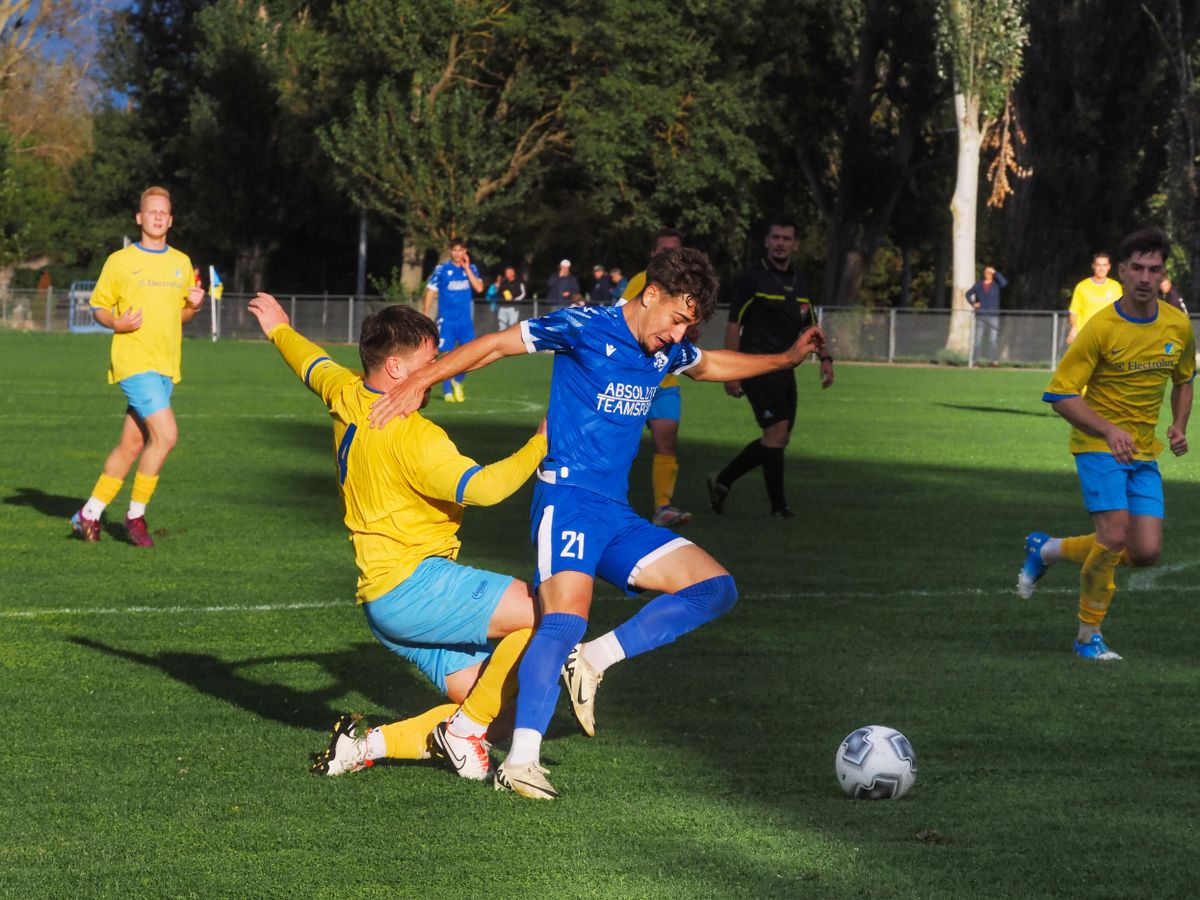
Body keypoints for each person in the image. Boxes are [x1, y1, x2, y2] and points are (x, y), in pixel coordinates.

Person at [368, 247, 826, 799]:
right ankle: (522, 761)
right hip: (566, 501)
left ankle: (594, 660)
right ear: (650, 294)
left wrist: (784, 358)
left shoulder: (669, 350)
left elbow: (710, 365)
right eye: (678, 318)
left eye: (690, 324)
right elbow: (495, 345)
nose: (680, 332)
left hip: (616, 512)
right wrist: (424, 379)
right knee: (562, 619)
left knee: (715, 587)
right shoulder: (584, 326)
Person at [247, 293, 548, 780]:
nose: (440, 370)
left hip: (381, 600)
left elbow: (312, 363)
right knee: (548, 612)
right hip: (417, 584)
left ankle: (365, 745)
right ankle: (461, 732)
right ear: (393, 367)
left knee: (496, 712)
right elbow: (486, 490)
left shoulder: (345, 394)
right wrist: (542, 442)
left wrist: (280, 328)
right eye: (430, 363)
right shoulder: (414, 435)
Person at [1017, 228, 1194, 660]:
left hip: (1144, 451)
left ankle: (1048, 549)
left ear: (1164, 274)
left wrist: (1180, 423)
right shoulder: (1101, 327)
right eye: (1137, 268)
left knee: (1146, 552)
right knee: (1113, 534)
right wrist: (1108, 429)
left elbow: (1184, 378)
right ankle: (1086, 637)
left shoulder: (1178, 324)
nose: (1145, 277)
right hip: (1097, 446)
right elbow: (1060, 394)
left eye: (1154, 269)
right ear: (1121, 271)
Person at [70, 186, 206, 547]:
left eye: (164, 212)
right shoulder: (120, 261)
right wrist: (116, 323)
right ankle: (135, 517)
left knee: (131, 445)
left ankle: (88, 513)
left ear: (170, 220)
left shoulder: (180, 262)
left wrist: (195, 305)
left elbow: (180, 317)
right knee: (167, 436)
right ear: (139, 218)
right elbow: (99, 306)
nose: (158, 217)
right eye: (152, 211)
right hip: (134, 360)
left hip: (165, 365)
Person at [708, 215, 833, 519]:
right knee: (776, 433)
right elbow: (734, 324)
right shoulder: (753, 278)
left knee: (778, 437)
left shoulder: (799, 280)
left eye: (786, 238)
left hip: (786, 368)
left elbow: (810, 324)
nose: (780, 244)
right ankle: (779, 508)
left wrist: (826, 359)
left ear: (795, 244)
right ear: (767, 242)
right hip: (756, 367)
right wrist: (731, 371)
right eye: (775, 237)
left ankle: (722, 481)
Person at [622, 227, 692, 527]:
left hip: (664, 383)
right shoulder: (640, 282)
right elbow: (624, 321)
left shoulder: (690, 287)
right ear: (653, 254)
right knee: (620, 446)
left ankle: (663, 506)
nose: (669, 256)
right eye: (663, 250)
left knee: (667, 440)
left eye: (674, 251)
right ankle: (612, 504)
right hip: (632, 381)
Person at [422, 236, 483, 402]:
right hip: (447, 321)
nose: (457, 253)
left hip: (465, 322)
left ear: (465, 251)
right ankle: (448, 391)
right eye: (454, 250)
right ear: (451, 251)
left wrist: (467, 267)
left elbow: (479, 287)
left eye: (460, 250)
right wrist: (426, 315)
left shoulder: (471, 268)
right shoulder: (441, 270)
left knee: (472, 355)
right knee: (447, 356)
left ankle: (457, 381)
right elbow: (430, 291)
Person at [1066, 252, 1122, 343]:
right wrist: (1073, 329)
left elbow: (1120, 311)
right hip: (1086, 335)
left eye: (1104, 265)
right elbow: (1074, 311)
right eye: (1098, 265)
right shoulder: (1082, 286)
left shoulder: (1115, 287)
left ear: (1109, 267)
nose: (1101, 268)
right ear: (1093, 266)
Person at [966, 265, 1007, 363]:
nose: (988, 274)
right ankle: (975, 361)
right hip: (981, 315)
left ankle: (994, 361)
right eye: (986, 272)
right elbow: (968, 294)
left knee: (993, 339)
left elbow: (1004, 283)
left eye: (990, 273)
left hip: (993, 315)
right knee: (978, 339)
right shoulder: (979, 284)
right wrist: (973, 303)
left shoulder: (996, 284)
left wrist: (995, 272)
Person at [496, 265, 526, 331]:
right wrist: (497, 288)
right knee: (502, 327)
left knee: (512, 327)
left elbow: (523, 294)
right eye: (506, 273)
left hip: (513, 308)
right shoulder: (503, 282)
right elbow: (499, 294)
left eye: (509, 273)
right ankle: (502, 341)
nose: (508, 275)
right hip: (502, 307)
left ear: (513, 273)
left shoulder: (519, 282)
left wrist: (514, 300)